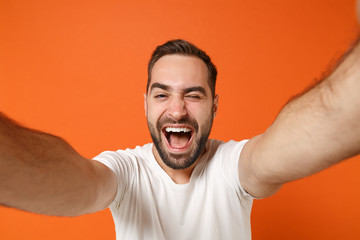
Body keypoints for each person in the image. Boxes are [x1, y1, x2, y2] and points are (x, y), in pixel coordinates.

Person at [0, 35, 359, 239]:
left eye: (194, 94)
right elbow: (78, 180)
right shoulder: (125, 172)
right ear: (145, 105)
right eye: (161, 94)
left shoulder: (232, 167)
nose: (176, 111)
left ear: (214, 106)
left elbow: (288, 145)